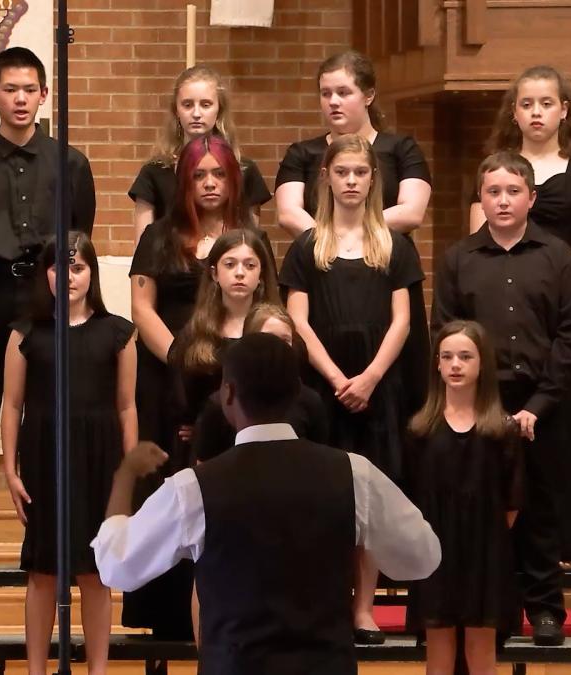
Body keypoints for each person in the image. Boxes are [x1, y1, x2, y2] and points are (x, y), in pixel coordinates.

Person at [92, 333, 441, 675]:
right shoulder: (354, 474)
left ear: (227, 394)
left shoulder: (195, 488)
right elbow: (423, 557)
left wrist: (124, 477)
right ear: (296, 394)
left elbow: (115, 566)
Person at [431, 151, 571, 646]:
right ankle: (492, 615)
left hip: (544, 402)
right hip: (479, 403)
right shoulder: (458, 259)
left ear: (532, 197)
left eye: (512, 191)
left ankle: (545, 610)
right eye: (492, 192)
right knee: (485, 514)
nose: (502, 200)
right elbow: (444, 330)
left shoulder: (557, 256)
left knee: (541, 509)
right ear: (480, 199)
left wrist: (538, 405)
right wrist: (475, 402)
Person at [0, 46, 96, 571]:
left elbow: (79, 242)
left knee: (56, 410)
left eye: (30, 89)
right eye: (10, 89)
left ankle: (63, 525)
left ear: (44, 94)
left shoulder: (71, 163)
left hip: (49, 298)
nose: (21, 99)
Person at [280, 133, 421, 642]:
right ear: (327, 178)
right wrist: (338, 379)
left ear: (373, 179)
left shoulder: (394, 246)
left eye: (361, 173)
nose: (352, 182)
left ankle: (363, 610)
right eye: (343, 173)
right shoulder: (306, 247)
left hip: (377, 390)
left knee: (369, 507)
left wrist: (370, 378)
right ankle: (326, 606)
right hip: (325, 393)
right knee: (327, 505)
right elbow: (297, 320)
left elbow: (402, 321)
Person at [126, 133, 261, 640]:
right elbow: (143, 308)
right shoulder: (159, 236)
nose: (209, 184)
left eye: (218, 175)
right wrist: (185, 360)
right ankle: (168, 613)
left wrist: (233, 368)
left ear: (232, 181)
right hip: (170, 381)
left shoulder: (247, 236)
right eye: (200, 175)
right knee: (172, 492)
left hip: (237, 383)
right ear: (185, 181)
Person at [473, 65, 571, 570]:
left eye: (546, 103)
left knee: (563, 424)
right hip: (504, 306)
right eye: (526, 103)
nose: (535, 112)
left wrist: (548, 275)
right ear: (514, 110)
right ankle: (502, 542)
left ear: (564, 110)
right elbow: (475, 234)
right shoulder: (497, 167)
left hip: (564, 301)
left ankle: (561, 544)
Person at [0, 233, 137, 675]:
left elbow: (127, 406)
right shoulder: (26, 333)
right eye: (60, 267)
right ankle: (36, 669)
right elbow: (12, 403)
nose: (69, 276)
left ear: (92, 273)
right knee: (43, 571)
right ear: (47, 274)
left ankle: (98, 669)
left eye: (78, 267)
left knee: (97, 572)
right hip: (45, 457)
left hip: (101, 459)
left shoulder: (118, 332)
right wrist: (9, 468)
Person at [274, 49, 431, 417]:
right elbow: (288, 212)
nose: (333, 102)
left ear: (369, 96)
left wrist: (358, 232)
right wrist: (334, 239)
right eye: (326, 93)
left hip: (383, 273)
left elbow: (412, 211)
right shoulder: (303, 152)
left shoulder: (400, 148)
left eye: (343, 92)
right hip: (325, 275)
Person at [405, 321, 523, 675]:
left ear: (482, 363)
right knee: (438, 651)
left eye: (465, 356)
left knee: (481, 649)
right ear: (437, 365)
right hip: (434, 555)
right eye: (447, 357)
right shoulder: (419, 429)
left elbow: (511, 504)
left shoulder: (502, 429)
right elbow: (410, 499)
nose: (455, 364)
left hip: (485, 555)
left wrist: (482, 538)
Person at [130, 65, 271, 240]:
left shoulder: (245, 170)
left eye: (206, 105)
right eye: (187, 105)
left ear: (219, 109)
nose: (196, 113)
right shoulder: (154, 172)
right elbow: (142, 250)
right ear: (176, 110)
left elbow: (251, 243)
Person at [170, 227, 279, 445]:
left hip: (264, 444)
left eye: (250, 265)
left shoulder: (277, 330)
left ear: (261, 274)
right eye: (230, 264)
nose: (240, 273)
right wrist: (200, 425)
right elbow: (182, 398)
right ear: (214, 274)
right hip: (209, 445)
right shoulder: (194, 334)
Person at [194, 304, 329, 462]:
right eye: (268, 337)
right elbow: (204, 469)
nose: (277, 347)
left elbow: (320, 461)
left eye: (285, 340)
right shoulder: (219, 404)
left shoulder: (310, 401)